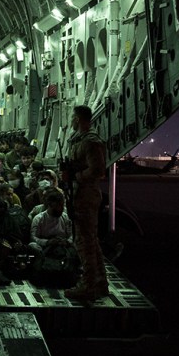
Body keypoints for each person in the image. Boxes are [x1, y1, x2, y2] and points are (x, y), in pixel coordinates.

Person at [61, 105, 108, 301]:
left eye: (73, 117)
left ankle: (88, 285)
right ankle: (100, 282)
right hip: (79, 194)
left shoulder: (90, 141)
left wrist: (77, 176)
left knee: (84, 241)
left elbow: (98, 170)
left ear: (78, 118)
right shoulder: (79, 140)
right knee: (90, 240)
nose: (71, 120)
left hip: (86, 196)